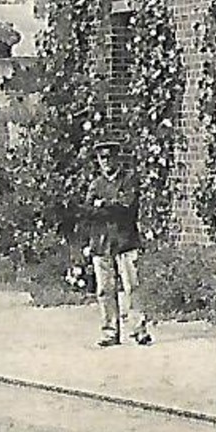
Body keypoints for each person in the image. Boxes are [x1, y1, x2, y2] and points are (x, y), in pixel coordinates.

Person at [86, 139, 151, 348]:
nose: (106, 162)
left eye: (109, 157)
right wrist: (108, 205)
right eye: (101, 158)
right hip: (102, 242)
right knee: (105, 289)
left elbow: (127, 206)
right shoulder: (95, 184)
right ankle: (110, 331)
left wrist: (103, 204)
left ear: (117, 158)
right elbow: (89, 212)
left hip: (125, 240)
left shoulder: (129, 180)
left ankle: (139, 330)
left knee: (132, 286)